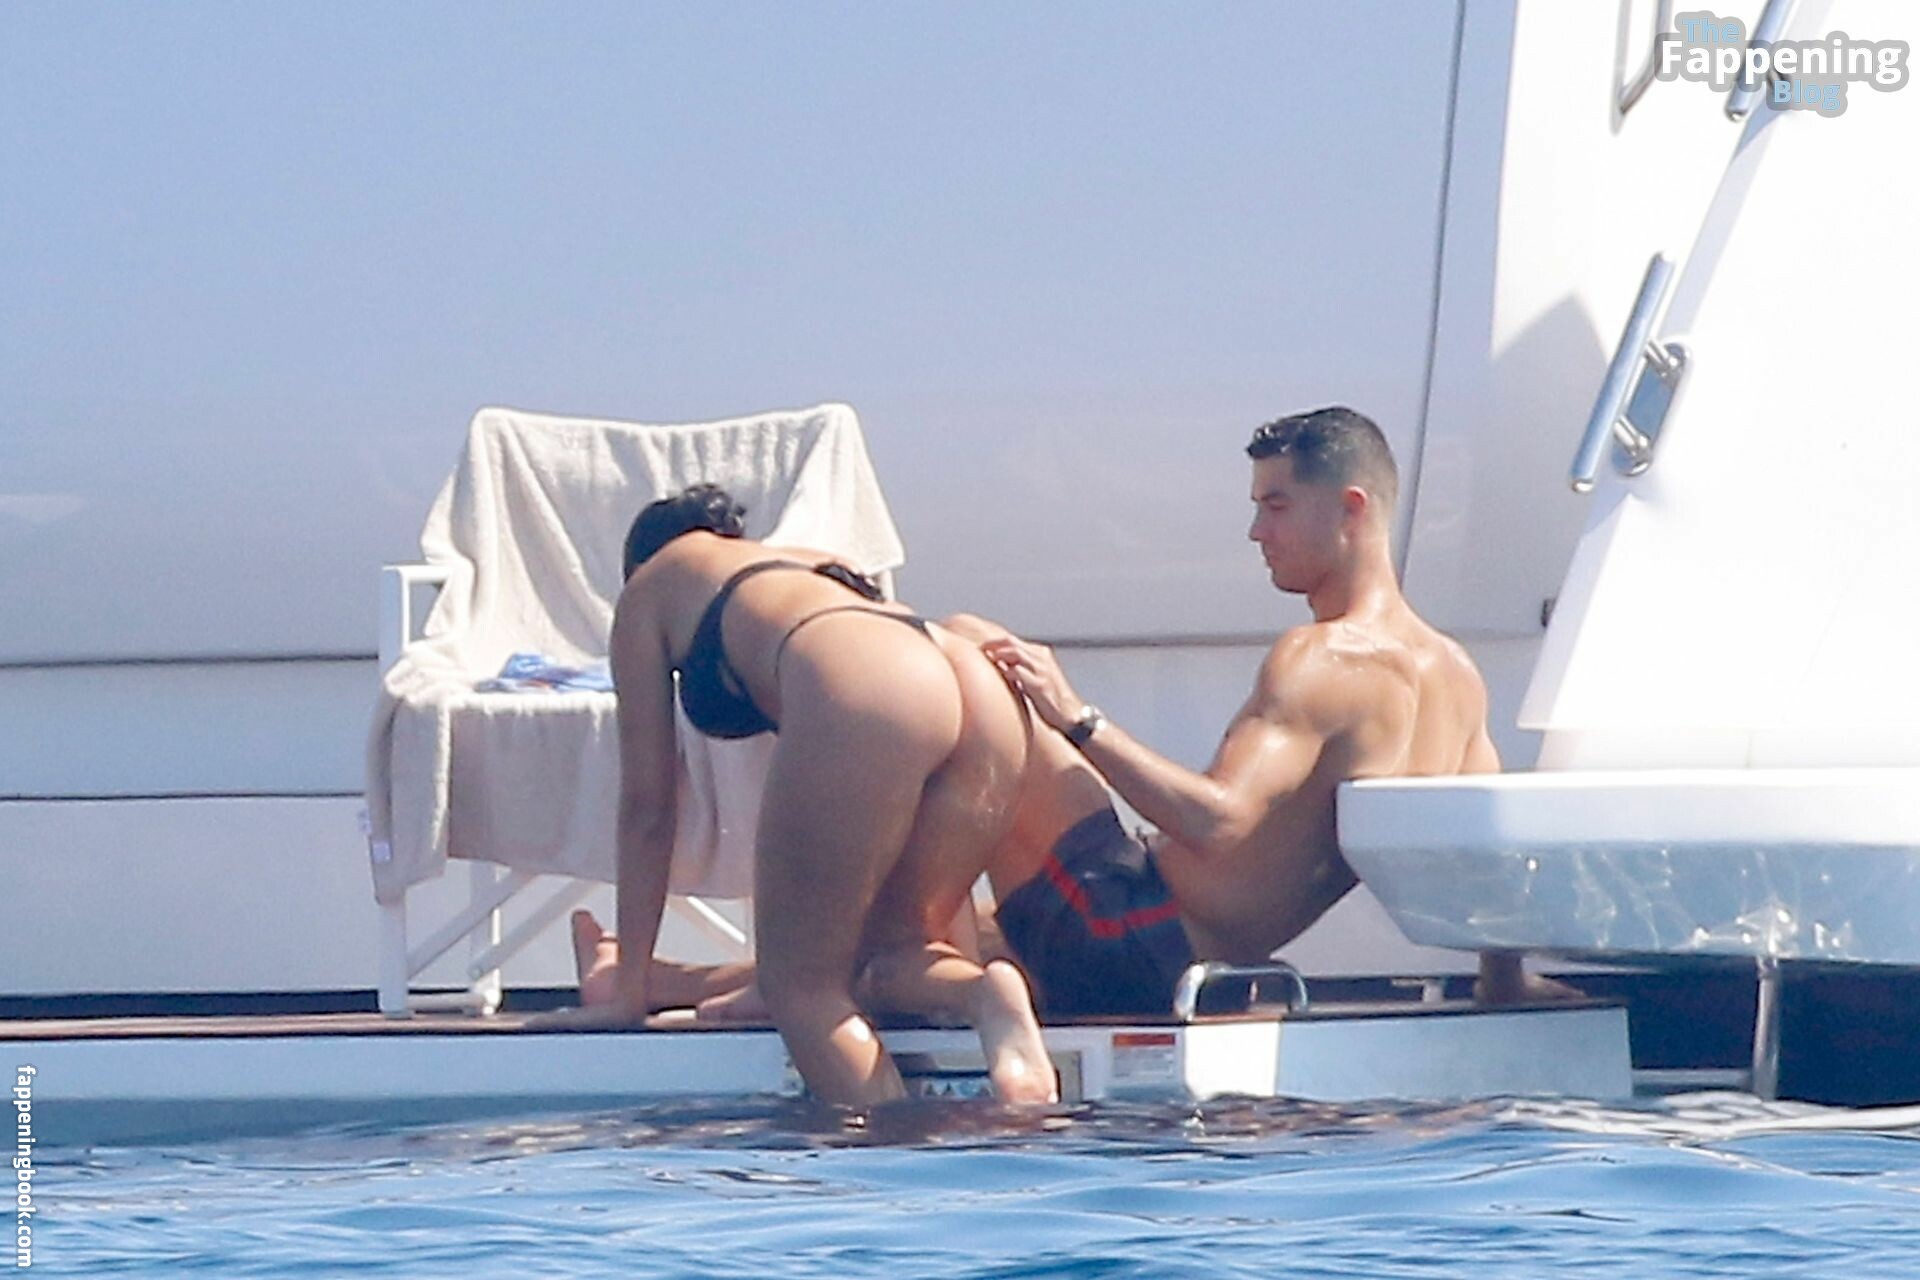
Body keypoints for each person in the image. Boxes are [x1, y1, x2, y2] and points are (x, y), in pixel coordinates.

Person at [965, 405, 1568, 1014]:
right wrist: (1505, 982)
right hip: (1210, 970)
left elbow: (1219, 823)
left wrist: (1076, 718)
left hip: (1128, 935)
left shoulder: (1321, 657)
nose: (1257, 532)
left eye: (1276, 507)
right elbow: (1484, 851)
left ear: (1351, 508)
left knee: (971, 645)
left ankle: (917, 961)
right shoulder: (1457, 679)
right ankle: (937, 966)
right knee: (977, 928)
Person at [567, 483, 1056, 1108]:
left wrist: (629, 995)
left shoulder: (649, 588)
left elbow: (648, 808)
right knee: (892, 952)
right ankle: (985, 994)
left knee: (802, 990)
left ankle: (893, 1149)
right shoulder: (798, 565)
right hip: (972, 684)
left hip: (870, 685)